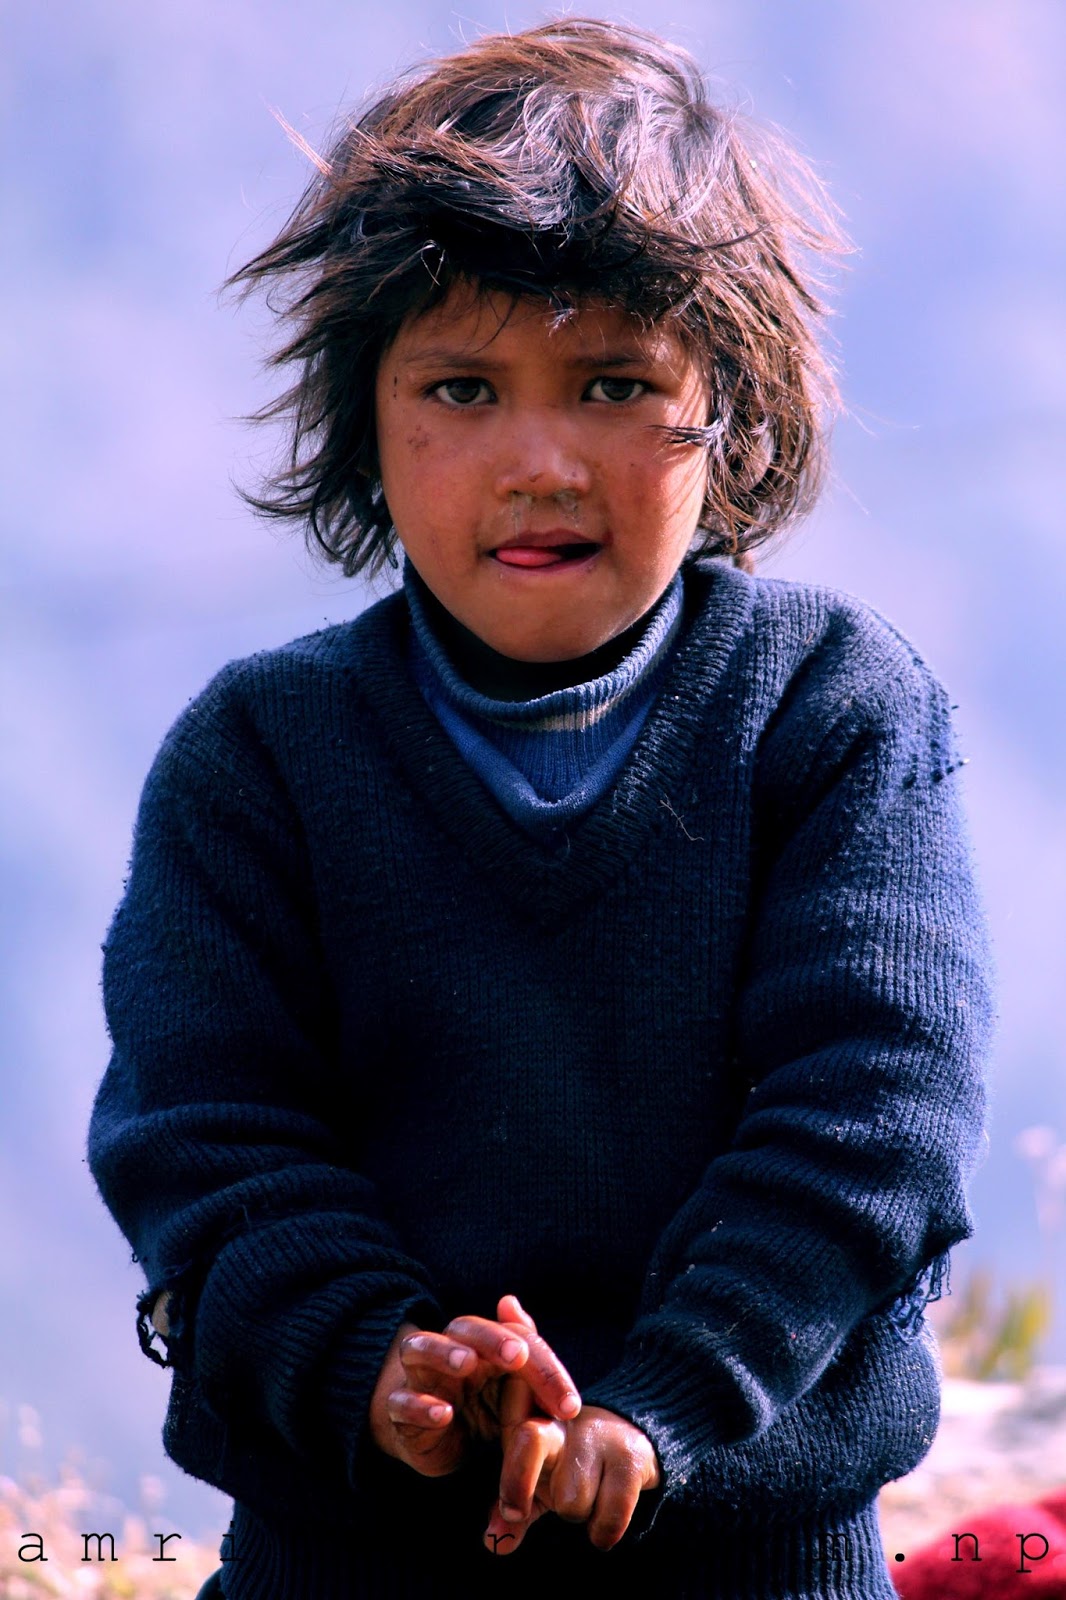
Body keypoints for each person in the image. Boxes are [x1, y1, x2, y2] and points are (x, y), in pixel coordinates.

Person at [88, 17, 993, 1599]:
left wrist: (658, 1410)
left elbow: (872, 1117)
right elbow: (206, 1138)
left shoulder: (829, 709)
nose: (539, 461)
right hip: (342, 1558)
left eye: (613, 384)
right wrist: (378, 1362)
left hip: (755, 1560)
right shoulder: (261, 754)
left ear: (731, 413)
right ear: (365, 419)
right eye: (459, 386)